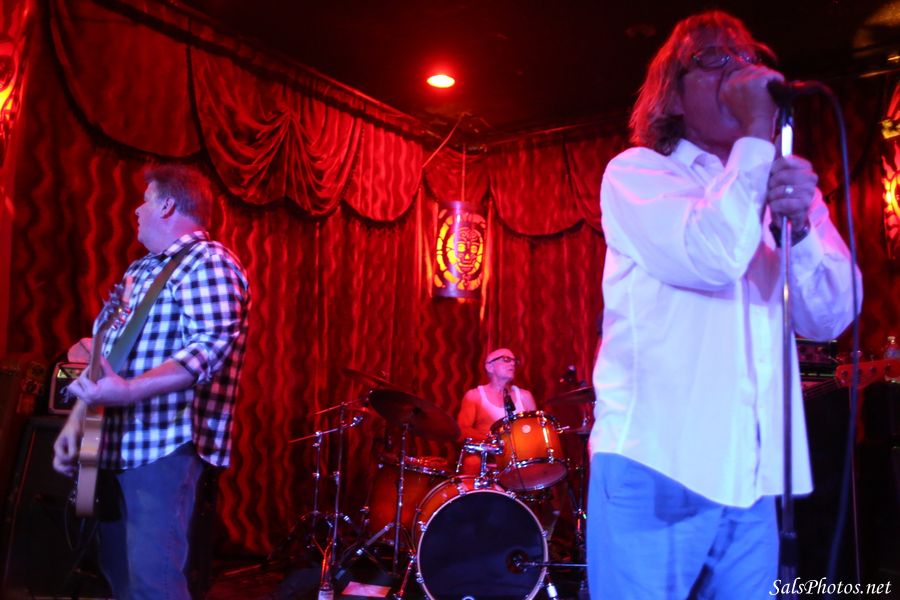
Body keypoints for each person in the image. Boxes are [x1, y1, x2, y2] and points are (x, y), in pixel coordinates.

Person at [587, 11, 861, 599]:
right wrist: (758, 132)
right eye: (713, 59)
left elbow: (831, 316)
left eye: (747, 58)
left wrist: (803, 227)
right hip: (655, 466)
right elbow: (712, 255)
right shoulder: (638, 174)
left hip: (749, 473)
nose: (738, 73)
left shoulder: (767, 183)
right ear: (673, 94)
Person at [52, 165, 251, 599]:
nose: (136, 210)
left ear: (167, 205)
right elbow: (111, 346)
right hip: (113, 442)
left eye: (145, 200)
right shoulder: (141, 270)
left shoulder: (208, 261)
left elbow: (209, 347)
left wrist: (126, 390)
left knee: (152, 582)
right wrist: (87, 355)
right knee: (118, 575)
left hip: (161, 444)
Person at [456, 347, 536, 474]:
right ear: (490, 367)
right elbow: (462, 431)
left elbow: (536, 431)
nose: (512, 363)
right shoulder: (475, 396)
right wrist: (497, 442)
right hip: (487, 456)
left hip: (520, 458)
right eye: (506, 359)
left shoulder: (525, 396)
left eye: (514, 360)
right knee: (471, 462)